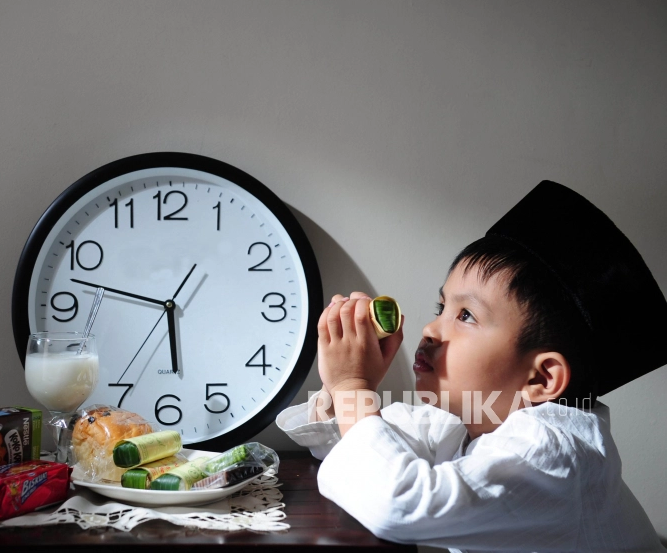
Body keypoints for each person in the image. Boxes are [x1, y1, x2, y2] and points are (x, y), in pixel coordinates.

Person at [277, 181, 667, 552]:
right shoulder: (467, 421)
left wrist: (352, 388)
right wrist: (341, 389)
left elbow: (398, 503)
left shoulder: (554, 452)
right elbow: (352, 449)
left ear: (542, 377)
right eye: (441, 307)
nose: (430, 329)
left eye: (465, 315)